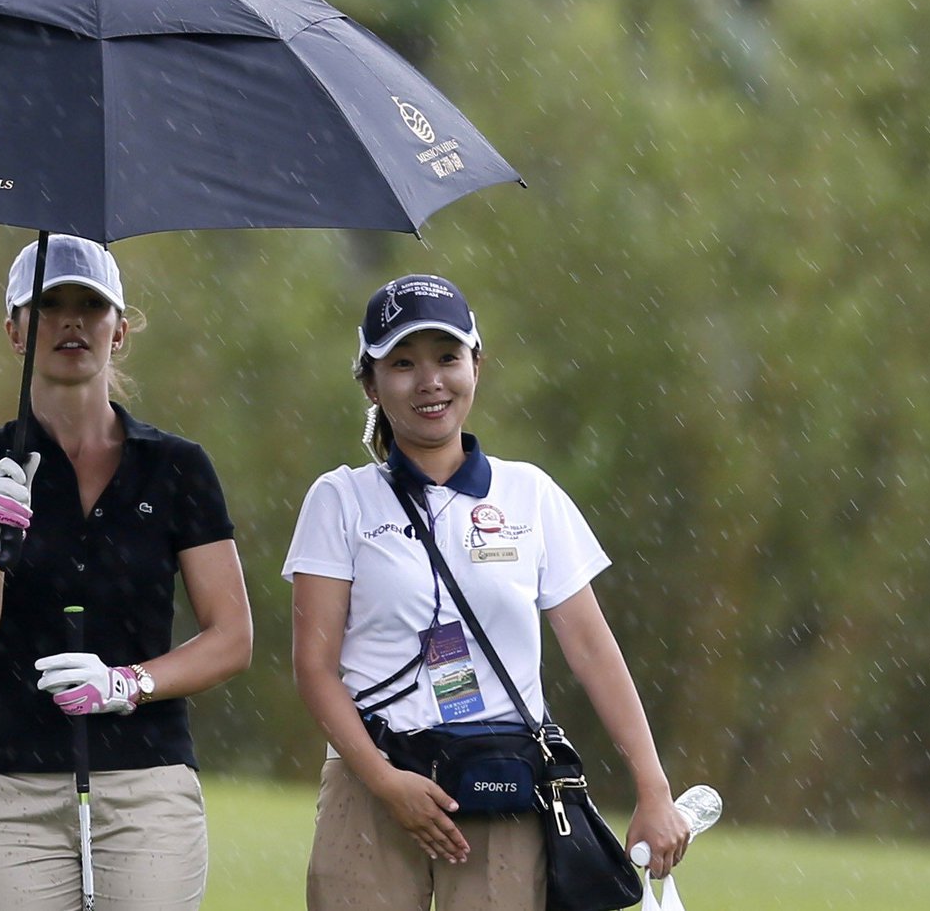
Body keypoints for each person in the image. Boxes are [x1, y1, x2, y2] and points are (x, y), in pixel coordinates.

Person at [286, 273, 692, 911]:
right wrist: (386, 782)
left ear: (477, 363)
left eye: (448, 358)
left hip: (500, 783)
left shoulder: (529, 494)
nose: (430, 382)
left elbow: (592, 650)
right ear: (369, 381)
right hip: (372, 778)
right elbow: (314, 669)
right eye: (402, 364)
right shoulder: (339, 499)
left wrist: (652, 787)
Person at [0, 235, 254, 911]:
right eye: (49, 306)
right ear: (15, 331)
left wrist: (128, 682)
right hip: (10, 785)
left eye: (91, 305)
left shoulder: (176, 468)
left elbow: (231, 638)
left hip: (147, 784)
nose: (72, 322)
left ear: (121, 329)